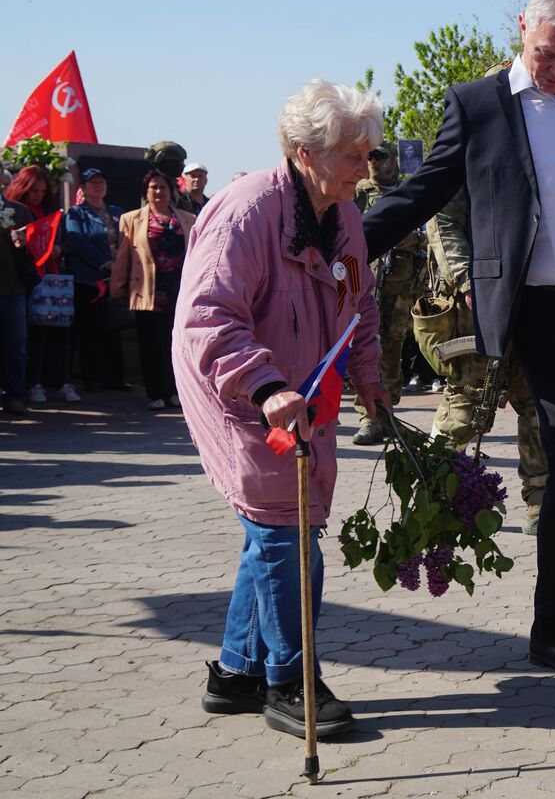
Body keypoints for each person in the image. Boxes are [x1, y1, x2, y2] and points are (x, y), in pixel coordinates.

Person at [359, 0, 555, 678]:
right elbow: (425, 189)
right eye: (546, 53)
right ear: (523, 24)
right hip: (544, 315)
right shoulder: (478, 104)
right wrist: (344, 240)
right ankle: (551, 627)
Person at [175, 79, 388, 738]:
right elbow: (207, 319)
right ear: (303, 152)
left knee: (278, 525)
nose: (366, 167)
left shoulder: (344, 210)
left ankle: (237, 673)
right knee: (286, 533)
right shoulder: (246, 211)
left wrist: (370, 377)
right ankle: (290, 682)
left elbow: (361, 301)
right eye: (353, 154)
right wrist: (265, 387)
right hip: (238, 390)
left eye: (370, 152)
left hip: (303, 390)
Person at [425, 166, 548, 535]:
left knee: (537, 406)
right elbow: (442, 223)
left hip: (533, 298)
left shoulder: (530, 148)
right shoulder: (465, 152)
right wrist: (466, 281)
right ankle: (432, 498)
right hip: (474, 305)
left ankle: (541, 499)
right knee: (465, 409)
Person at [350, 141, 427, 445]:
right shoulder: (359, 191)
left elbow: (429, 232)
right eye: (370, 157)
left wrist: (414, 239)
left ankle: (387, 412)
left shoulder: (409, 191)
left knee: (393, 348)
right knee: (365, 346)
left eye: (380, 157)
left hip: (401, 286)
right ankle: (367, 417)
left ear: (393, 159)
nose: (373, 162)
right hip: (365, 284)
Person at [111, 171, 197, 411]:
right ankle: (156, 392)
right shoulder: (131, 219)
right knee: (151, 345)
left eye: (163, 187)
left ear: (171, 191)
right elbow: (123, 257)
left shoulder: (188, 219)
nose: (158, 191)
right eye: (153, 187)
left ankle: (176, 391)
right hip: (148, 290)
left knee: (179, 345)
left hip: (180, 292)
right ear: (145, 191)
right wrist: (117, 288)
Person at [6, 166, 81, 405]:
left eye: (41, 190)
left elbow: (67, 241)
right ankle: (33, 383)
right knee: (34, 336)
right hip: (30, 280)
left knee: (61, 333)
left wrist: (59, 248)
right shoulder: (16, 212)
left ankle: (60, 381)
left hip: (54, 279)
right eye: (33, 190)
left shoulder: (52, 213)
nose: (37, 195)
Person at [63, 169, 128, 392]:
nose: (98, 185)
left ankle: (115, 378)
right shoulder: (76, 214)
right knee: (90, 331)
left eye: (101, 181)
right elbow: (77, 242)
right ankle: (92, 378)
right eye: (93, 182)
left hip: (116, 280)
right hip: (89, 281)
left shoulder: (118, 212)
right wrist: (105, 263)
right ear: (83, 188)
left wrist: (122, 266)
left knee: (114, 329)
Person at [0, 193, 34, 415]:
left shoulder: (18, 210)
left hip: (12, 288)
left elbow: (36, 246)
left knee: (16, 345)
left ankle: (14, 395)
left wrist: (24, 243)